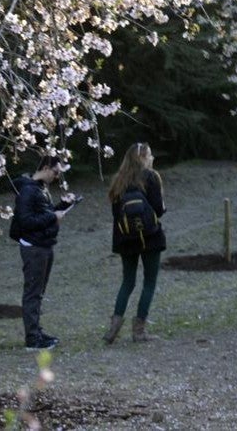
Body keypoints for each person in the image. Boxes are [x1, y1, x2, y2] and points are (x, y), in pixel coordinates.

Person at [103, 142, 166, 344]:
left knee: (127, 281)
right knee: (149, 281)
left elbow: (115, 214)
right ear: (142, 158)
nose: (152, 158)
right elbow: (158, 209)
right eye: (149, 155)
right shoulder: (151, 177)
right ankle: (139, 331)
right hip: (150, 236)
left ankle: (113, 328)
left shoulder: (118, 181)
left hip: (125, 238)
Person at [11, 156, 69, 351]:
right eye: (55, 172)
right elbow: (26, 221)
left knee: (38, 292)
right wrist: (53, 216)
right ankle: (32, 339)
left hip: (43, 245)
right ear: (46, 167)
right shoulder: (28, 190)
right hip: (34, 248)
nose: (57, 176)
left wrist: (61, 206)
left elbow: (43, 213)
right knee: (33, 293)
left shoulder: (39, 188)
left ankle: (36, 332)